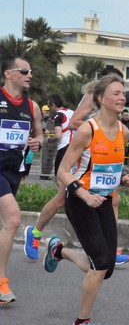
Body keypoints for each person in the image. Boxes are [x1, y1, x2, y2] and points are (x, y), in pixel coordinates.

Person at [44, 73, 129, 325]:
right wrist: (84, 194)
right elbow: (63, 171)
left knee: (106, 268)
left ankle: (59, 250)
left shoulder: (123, 131)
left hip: (103, 200)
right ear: (100, 98)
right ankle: (82, 320)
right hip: (80, 200)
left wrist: (127, 177)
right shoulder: (87, 130)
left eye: (123, 93)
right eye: (116, 93)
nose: (122, 98)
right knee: (100, 264)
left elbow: (113, 168)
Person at [24, 67, 129, 265]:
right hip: (80, 152)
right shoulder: (94, 96)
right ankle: (36, 232)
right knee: (61, 200)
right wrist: (96, 126)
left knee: (112, 199)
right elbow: (74, 122)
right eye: (115, 90)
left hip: (101, 154)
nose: (120, 94)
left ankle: (110, 248)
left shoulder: (116, 112)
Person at [0, 57, 44, 305]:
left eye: (31, 71)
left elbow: (39, 134)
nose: (29, 75)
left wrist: (38, 141)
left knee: (7, 221)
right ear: (9, 73)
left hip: (12, 172)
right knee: (13, 219)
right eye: (24, 71)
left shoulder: (33, 106)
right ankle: (1, 281)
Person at [47, 93, 74, 177]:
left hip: (64, 147)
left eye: (49, 106)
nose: (49, 109)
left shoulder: (58, 115)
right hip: (75, 146)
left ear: (54, 105)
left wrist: (49, 139)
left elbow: (58, 135)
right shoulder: (72, 112)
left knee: (59, 177)